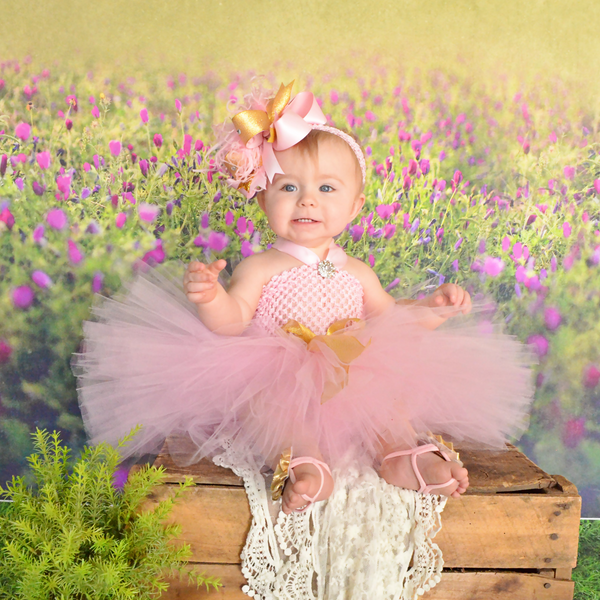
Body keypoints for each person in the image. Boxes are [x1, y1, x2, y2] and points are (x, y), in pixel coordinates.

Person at [75, 82, 534, 515]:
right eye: (289, 187)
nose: (307, 201)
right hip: (277, 373)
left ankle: (400, 456)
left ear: (355, 206)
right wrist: (210, 296)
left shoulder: (357, 272)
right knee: (275, 412)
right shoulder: (261, 267)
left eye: (326, 189)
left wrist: (433, 310)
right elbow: (233, 322)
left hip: (354, 374)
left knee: (390, 408)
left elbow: (391, 319)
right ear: (263, 201)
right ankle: (305, 466)